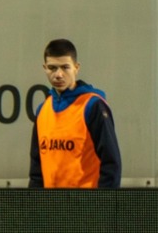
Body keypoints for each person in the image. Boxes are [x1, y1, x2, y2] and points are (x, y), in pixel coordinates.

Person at [29, 39, 121, 188]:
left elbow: (111, 165)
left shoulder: (92, 106)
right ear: (44, 68)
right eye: (52, 68)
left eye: (65, 67)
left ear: (76, 68)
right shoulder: (43, 110)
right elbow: (36, 171)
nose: (58, 74)